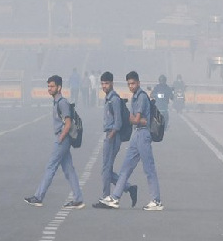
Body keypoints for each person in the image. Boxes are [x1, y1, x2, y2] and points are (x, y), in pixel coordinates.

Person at [94, 71, 162, 211]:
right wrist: (131, 118)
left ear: (138, 83)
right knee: (125, 167)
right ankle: (116, 197)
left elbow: (137, 120)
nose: (131, 86)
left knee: (149, 168)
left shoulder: (142, 97)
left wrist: (127, 116)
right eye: (129, 84)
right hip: (137, 134)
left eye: (133, 83)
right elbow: (137, 120)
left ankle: (156, 200)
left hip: (144, 134)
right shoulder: (135, 97)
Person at [24, 75, 85, 209]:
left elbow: (68, 123)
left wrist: (61, 137)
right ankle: (78, 199)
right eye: (48, 86)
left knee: (50, 167)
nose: (49, 89)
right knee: (69, 169)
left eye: (52, 86)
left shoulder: (62, 102)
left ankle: (38, 197)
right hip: (64, 138)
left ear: (59, 87)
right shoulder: (57, 102)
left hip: (63, 138)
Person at [98, 71, 137, 206]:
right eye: (102, 83)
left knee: (106, 168)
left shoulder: (114, 99)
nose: (104, 86)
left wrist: (111, 135)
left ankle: (106, 197)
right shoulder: (108, 98)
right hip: (111, 135)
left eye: (107, 83)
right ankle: (128, 187)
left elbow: (118, 122)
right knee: (106, 169)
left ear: (112, 83)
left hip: (113, 136)